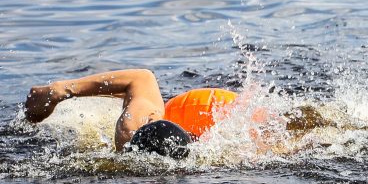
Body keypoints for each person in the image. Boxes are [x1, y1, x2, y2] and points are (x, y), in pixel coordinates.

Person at [24, 68, 228, 157]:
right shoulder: (133, 130)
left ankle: (63, 91)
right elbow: (143, 78)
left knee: (141, 89)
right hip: (188, 109)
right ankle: (60, 90)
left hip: (202, 114)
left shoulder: (128, 134)